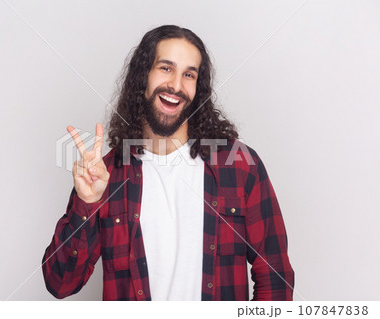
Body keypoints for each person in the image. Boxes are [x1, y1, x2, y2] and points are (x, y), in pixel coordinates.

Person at [42, 25, 294, 301]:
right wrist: (86, 203)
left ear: (199, 87)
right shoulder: (106, 175)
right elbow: (60, 283)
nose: (176, 85)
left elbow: (275, 279)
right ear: (143, 77)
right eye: (166, 68)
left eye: (189, 74)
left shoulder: (241, 166)